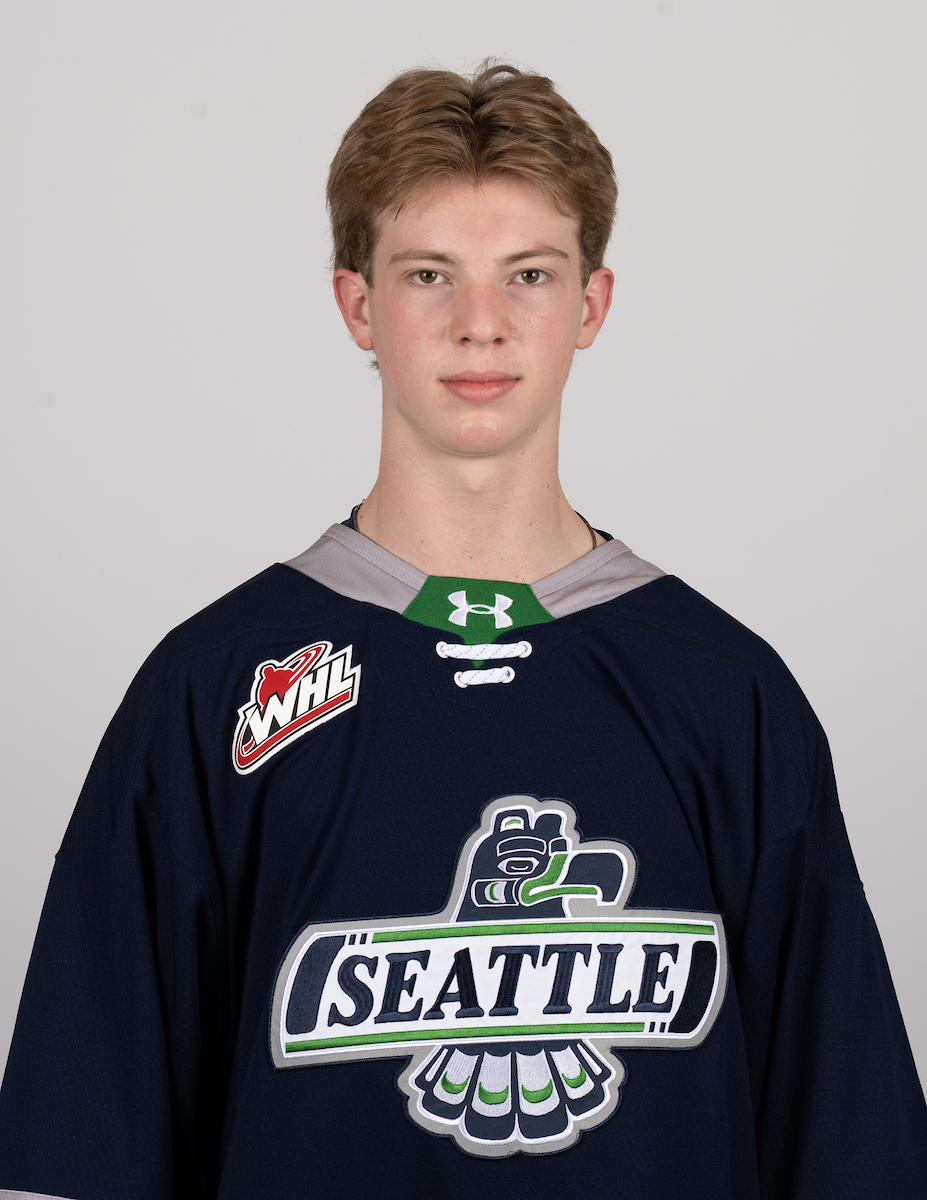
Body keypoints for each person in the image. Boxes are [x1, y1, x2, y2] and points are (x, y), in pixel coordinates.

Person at [0, 61, 924, 1200]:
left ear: (591, 304)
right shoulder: (213, 687)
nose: (480, 325)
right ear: (358, 306)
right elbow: (86, 1152)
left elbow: (851, 1151)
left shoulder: (729, 694)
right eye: (429, 274)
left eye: (528, 275)